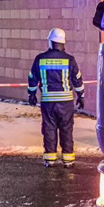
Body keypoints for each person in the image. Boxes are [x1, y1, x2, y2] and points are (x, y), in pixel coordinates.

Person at [27, 27, 85, 168]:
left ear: (51, 42)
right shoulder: (69, 60)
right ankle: (68, 159)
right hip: (65, 102)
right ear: (63, 43)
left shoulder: (40, 59)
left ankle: (50, 159)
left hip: (48, 102)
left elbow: (32, 78)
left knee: (49, 128)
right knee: (66, 128)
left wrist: (32, 93)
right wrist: (81, 95)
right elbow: (77, 79)